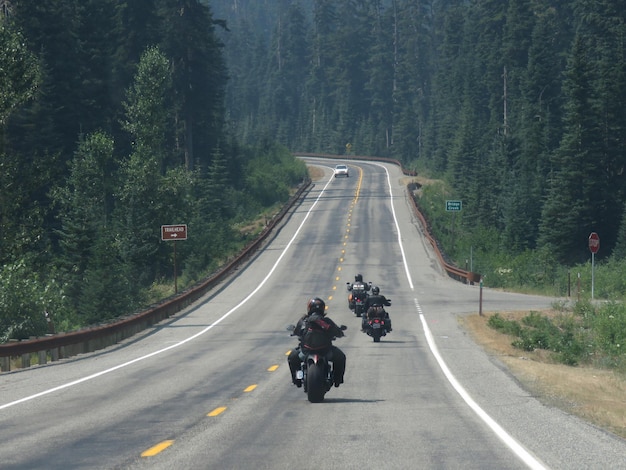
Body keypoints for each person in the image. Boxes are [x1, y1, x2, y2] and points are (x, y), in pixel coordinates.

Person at [287, 297, 347, 388]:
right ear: (322, 308)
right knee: (341, 358)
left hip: (306, 352)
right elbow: (337, 332)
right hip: (325, 351)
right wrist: (340, 333)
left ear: (309, 308)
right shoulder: (326, 321)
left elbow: (297, 331)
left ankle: (297, 379)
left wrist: (295, 333)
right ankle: (337, 379)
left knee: (292, 358)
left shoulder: (304, 320)